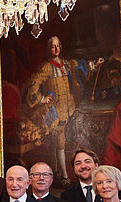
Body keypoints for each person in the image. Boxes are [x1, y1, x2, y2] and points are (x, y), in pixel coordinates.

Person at [19, 35, 102, 179]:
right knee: (58, 141)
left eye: (58, 46)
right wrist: (40, 99)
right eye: (53, 46)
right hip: (54, 111)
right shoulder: (46, 67)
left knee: (58, 141)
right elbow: (34, 83)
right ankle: (63, 175)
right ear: (48, 49)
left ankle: (57, 172)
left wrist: (94, 64)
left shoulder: (66, 64)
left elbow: (80, 69)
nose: (56, 49)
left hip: (68, 107)